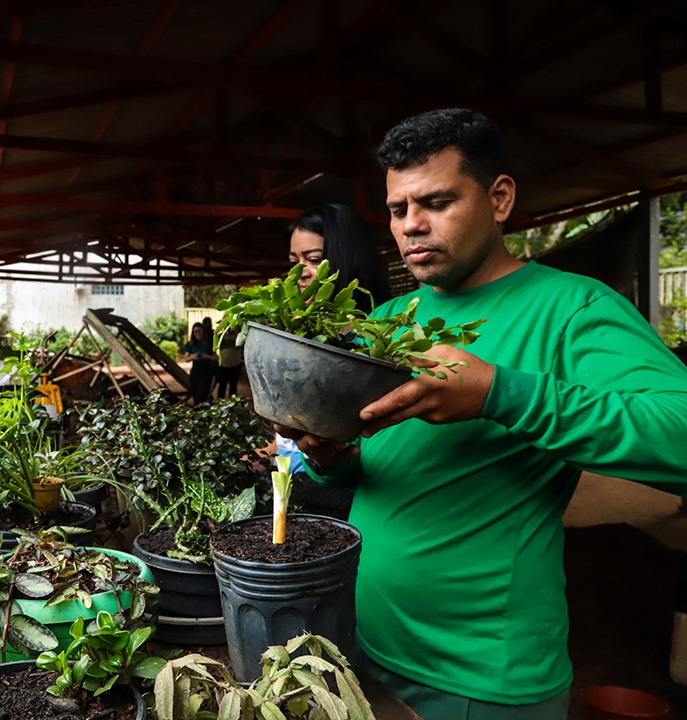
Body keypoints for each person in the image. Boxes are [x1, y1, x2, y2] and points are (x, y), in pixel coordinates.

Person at [280, 108, 687, 719]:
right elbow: (375, 465)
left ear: (499, 199)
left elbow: (678, 432)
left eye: (437, 202)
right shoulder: (391, 321)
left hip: (480, 679)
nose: (412, 225)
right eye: (398, 210)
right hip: (366, 642)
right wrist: (331, 459)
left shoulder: (571, 308)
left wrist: (498, 393)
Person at [278, 203, 392, 520]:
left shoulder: (375, 340)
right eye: (294, 261)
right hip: (295, 483)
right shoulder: (296, 330)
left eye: (313, 260)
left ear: (348, 259)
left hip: (344, 501)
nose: (300, 272)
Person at [182, 321, 216, 405]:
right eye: (195, 332)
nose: (197, 333)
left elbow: (216, 358)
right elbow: (186, 358)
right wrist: (192, 357)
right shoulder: (190, 344)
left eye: (199, 331)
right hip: (195, 371)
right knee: (194, 393)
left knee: (202, 394)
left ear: (203, 331)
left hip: (206, 371)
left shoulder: (209, 343)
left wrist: (206, 356)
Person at [215, 329, 243, 399]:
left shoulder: (239, 335)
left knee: (233, 385)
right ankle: (220, 403)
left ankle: (232, 404)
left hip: (235, 363)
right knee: (222, 385)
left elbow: (239, 345)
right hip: (224, 364)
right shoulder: (222, 334)